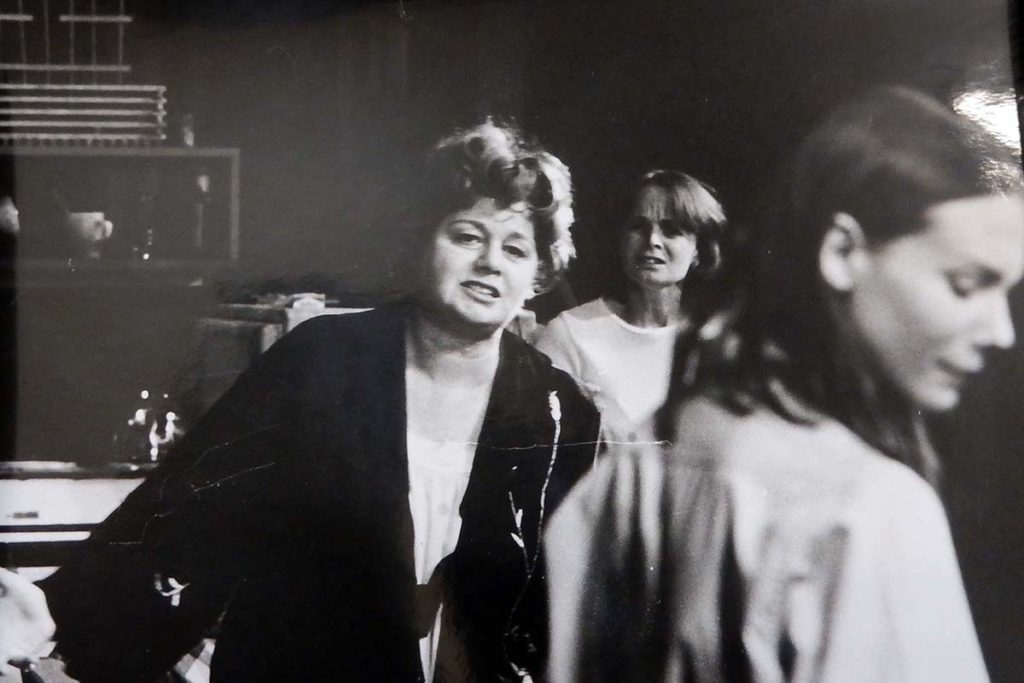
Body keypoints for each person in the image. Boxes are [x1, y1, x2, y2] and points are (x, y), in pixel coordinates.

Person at [0, 121, 601, 682]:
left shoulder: (560, 411)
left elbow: (571, 606)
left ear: (540, 273)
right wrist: (55, 610)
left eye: (516, 248)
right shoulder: (322, 362)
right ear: (423, 243)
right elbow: (188, 512)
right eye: (466, 235)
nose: (489, 262)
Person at [545, 87, 1024, 682]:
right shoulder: (871, 509)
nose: (1000, 330)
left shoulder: (645, 466)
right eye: (965, 283)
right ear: (843, 253)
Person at [535, 170, 725, 444]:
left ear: (698, 249)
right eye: (639, 226)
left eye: (671, 230)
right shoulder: (570, 334)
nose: (652, 241)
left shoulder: (711, 341)